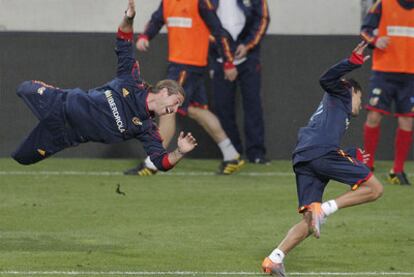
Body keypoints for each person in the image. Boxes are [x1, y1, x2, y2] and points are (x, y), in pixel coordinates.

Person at [12, 0, 197, 172]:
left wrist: (180, 152)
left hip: (63, 135)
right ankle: (53, 92)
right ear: (164, 91)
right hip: (60, 103)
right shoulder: (131, 80)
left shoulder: (146, 129)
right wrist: (129, 18)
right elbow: (124, 40)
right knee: (23, 87)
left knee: (22, 158)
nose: (173, 109)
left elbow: (161, 163)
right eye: (175, 102)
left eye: (177, 107)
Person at [261, 42, 384, 276]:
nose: (361, 104)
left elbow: (322, 139)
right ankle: (325, 209)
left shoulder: (332, 109)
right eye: (360, 98)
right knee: (375, 189)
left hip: (305, 157)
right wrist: (351, 63)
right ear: (352, 91)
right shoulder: (340, 92)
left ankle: (274, 259)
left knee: (309, 221)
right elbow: (326, 79)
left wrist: (349, 154)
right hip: (320, 152)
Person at [124, 0, 245, 176]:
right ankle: (231, 155)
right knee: (196, 110)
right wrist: (145, 36)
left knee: (167, 110)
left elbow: (219, 31)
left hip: (186, 67)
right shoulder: (167, 2)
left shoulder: (200, 2)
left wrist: (228, 62)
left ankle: (152, 163)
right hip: (183, 66)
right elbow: (157, 19)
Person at [209, 0, 270, 164]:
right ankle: (232, 152)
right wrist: (224, 49)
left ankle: (256, 152)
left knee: (253, 104)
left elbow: (263, 18)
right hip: (219, 56)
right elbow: (204, 22)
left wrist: (248, 45)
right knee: (222, 107)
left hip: (248, 57)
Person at [361, 0, 414, 185]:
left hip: (410, 75)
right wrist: (375, 41)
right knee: (374, 116)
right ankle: (367, 166)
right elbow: (365, 30)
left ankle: (397, 171)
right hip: (384, 72)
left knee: (407, 119)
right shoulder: (383, 3)